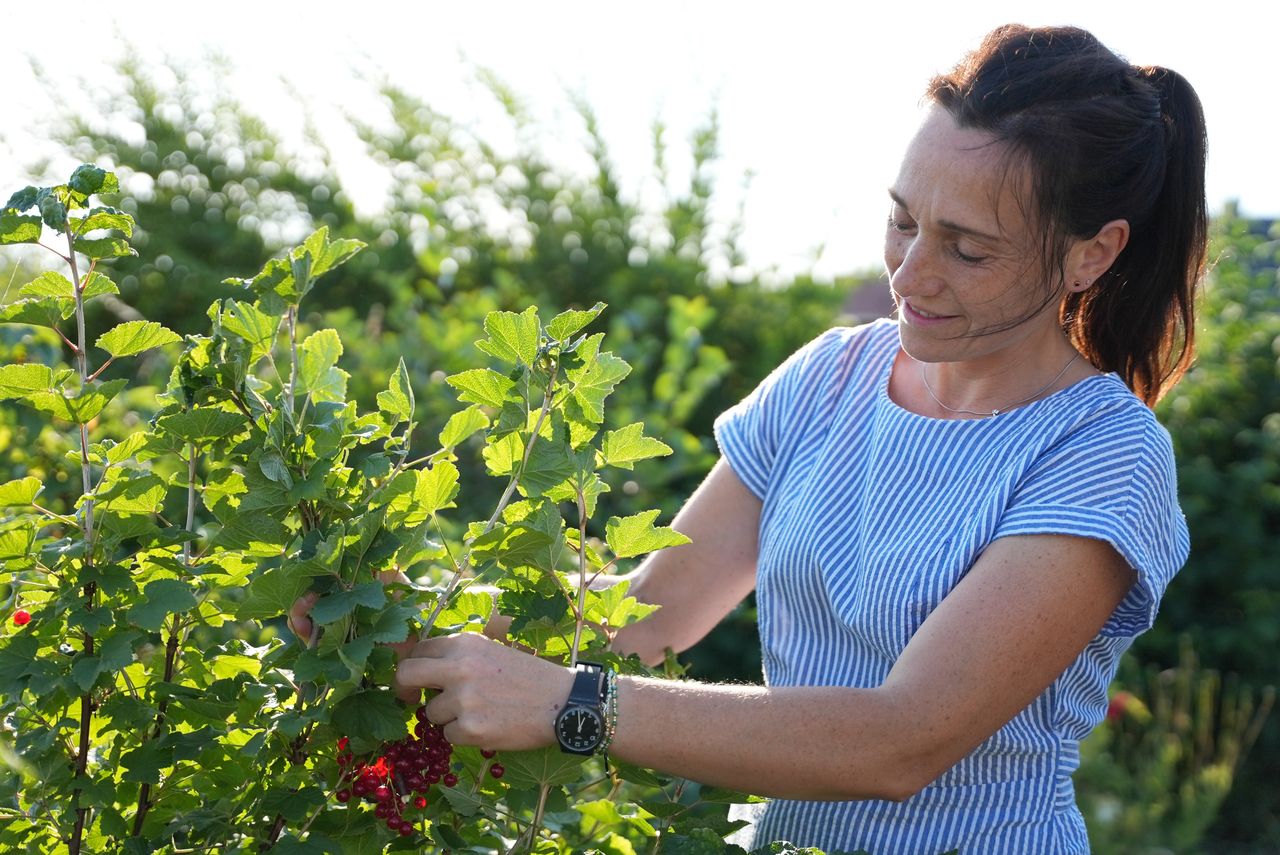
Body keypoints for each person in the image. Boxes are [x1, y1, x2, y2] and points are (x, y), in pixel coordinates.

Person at [321, 24, 1208, 854]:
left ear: (1093, 253)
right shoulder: (830, 377)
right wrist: (409, 613)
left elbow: (900, 743)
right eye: (902, 220)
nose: (908, 273)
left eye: (967, 250)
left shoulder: (1100, 454)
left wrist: (572, 705)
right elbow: (647, 613)